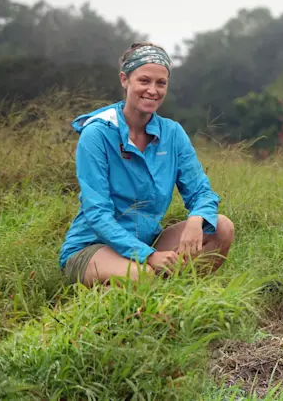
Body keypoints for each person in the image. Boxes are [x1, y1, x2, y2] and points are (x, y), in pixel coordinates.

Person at [59, 42, 235, 287]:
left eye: (161, 83)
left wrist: (196, 219)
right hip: (92, 246)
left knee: (221, 227)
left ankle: (176, 298)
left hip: (148, 241)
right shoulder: (97, 134)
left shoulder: (172, 133)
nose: (153, 90)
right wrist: (149, 257)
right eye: (144, 81)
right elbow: (97, 214)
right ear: (124, 79)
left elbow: (201, 192)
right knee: (140, 275)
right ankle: (115, 301)